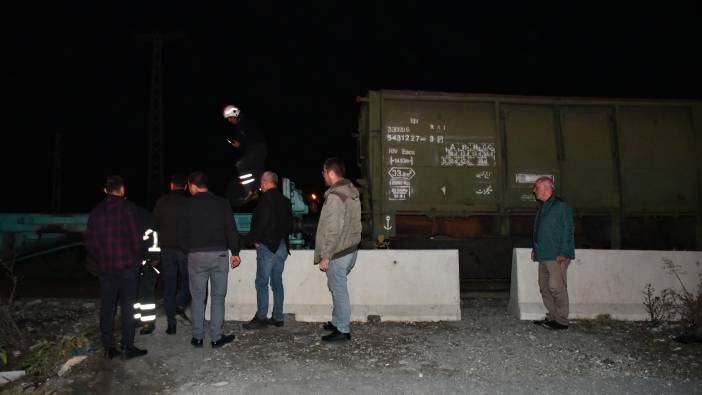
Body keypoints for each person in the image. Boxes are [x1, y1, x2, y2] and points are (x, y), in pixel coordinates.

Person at [84, 175, 148, 359]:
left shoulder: (96, 212)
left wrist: (101, 258)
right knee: (128, 307)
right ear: (122, 189)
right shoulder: (128, 208)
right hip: (128, 267)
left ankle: (109, 348)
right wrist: (137, 259)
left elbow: (90, 241)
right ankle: (128, 346)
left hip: (106, 268)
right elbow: (137, 239)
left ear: (106, 190)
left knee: (107, 307)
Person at [178, 171, 241, 348]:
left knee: (197, 298)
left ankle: (197, 338)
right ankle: (216, 337)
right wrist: (235, 252)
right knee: (218, 297)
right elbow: (231, 229)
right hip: (219, 255)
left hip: (196, 256)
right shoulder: (222, 203)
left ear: (192, 185)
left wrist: (189, 251)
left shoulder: (186, 205)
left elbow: (180, 235)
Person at [314, 158, 362, 342]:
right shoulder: (350, 192)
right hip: (350, 249)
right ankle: (336, 322)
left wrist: (326, 256)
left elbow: (333, 229)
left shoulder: (335, 196)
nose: (323, 176)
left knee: (339, 290)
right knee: (335, 286)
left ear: (330, 172)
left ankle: (343, 330)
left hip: (339, 252)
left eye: (324, 172)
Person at [242, 171, 293, 329]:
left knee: (261, 283)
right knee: (277, 282)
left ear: (265, 182)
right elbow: (289, 226)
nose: (260, 185)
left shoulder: (265, 200)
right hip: (282, 246)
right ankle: (278, 317)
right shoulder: (285, 201)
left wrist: (254, 240)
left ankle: (261, 317)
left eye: (261, 182)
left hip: (268, 247)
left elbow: (261, 222)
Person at [531, 176, 575, 330]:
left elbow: (567, 230)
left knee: (556, 286)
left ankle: (562, 320)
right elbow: (540, 230)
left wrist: (563, 252)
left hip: (556, 254)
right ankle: (552, 317)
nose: (534, 191)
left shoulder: (560, 206)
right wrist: (535, 249)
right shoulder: (544, 206)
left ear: (546, 187)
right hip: (544, 254)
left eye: (536, 187)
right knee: (544, 286)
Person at [153, 173, 191, 335]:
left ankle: (171, 324)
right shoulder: (190, 202)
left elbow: (154, 224)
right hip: (186, 250)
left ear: (171, 185)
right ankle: (180, 304)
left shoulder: (162, 202)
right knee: (189, 282)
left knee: (169, 287)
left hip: (167, 249)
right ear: (186, 186)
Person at [222, 104, 267, 205]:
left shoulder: (246, 122)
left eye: (230, 118)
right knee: (256, 170)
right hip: (253, 150)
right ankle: (256, 191)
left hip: (258, 148)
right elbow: (245, 142)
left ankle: (250, 190)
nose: (229, 121)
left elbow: (253, 137)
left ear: (235, 114)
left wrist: (241, 144)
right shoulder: (239, 127)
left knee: (241, 165)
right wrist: (239, 145)